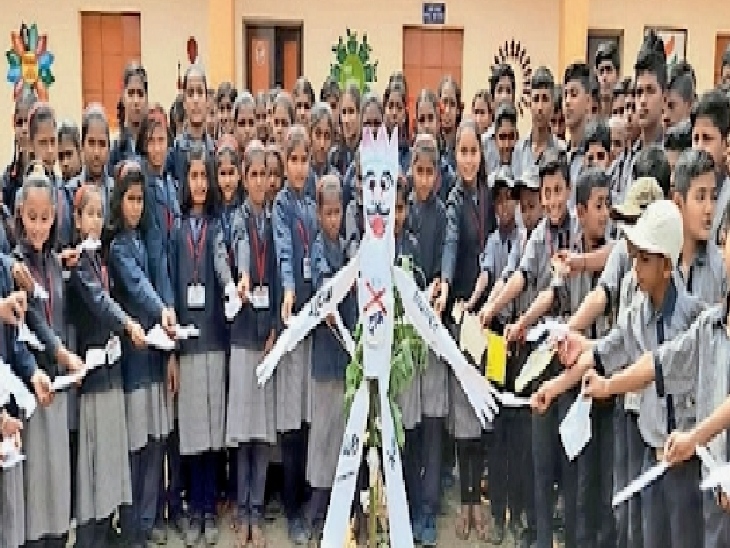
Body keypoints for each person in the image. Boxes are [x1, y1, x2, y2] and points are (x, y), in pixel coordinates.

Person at [537, 199, 705, 548]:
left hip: (687, 461)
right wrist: (554, 387)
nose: (635, 267)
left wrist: (608, 385)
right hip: (651, 451)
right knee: (643, 535)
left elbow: (651, 368)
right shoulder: (637, 315)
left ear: (666, 266)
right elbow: (603, 353)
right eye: (635, 257)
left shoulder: (692, 321)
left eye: (645, 259)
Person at [68, 184, 146, 547]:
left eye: (100, 214)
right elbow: (99, 302)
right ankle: (92, 535)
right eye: (89, 214)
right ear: (76, 219)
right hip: (94, 377)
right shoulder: (78, 265)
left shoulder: (97, 258)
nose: (96, 221)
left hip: (111, 371)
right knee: (96, 462)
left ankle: (107, 527)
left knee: (112, 458)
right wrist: (128, 324)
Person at [107, 160, 178, 548]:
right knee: (136, 445)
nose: (135, 207)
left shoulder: (145, 239)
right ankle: (132, 525)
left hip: (155, 355)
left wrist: (167, 318)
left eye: (140, 200)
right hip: (133, 360)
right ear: (119, 201)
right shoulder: (118, 246)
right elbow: (138, 287)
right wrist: (162, 310)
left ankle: (148, 521)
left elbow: (159, 280)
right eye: (129, 199)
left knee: (156, 442)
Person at [15, 161, 85, 548]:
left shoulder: (55, 262)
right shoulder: (16, 267)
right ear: (20, 215)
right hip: (31, 390)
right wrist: (60, 355)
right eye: (32, 218)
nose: (39, 227)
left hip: (57, 387)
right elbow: (30, 324)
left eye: (45, 218)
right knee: (35, 487)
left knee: (57, 482)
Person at [169, 143, 233, 546]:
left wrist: (232, 287)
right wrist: (172, 352)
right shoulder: (177, 232)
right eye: (192, 176)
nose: (199, 184)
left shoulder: (218, 226)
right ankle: (193, 508)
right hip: (188, 345)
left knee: (212, 434)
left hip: (214, 342)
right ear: (185, 181)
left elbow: (223, 265)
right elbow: (173, 289)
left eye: (203, 176)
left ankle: (209, 508)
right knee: (191, 434)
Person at [227, 141, 278, 548]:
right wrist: (243, 276)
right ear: (244, 179)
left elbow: (279, 276)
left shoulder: (275, 222)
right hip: (241, 336)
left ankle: (257, 510)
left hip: (266, 338)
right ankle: (242, 507)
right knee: (242, 432)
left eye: (265, 174)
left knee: (261, 433)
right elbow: (241, 249)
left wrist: (276, 325)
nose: (260, 182)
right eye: (254, 174)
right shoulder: (237, 220)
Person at [272, 124, 317, 544]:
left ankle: (308, 500)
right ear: (284, 163)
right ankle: (290, 509)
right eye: (293, 160)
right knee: (289, 420)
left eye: (305, 160)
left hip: (316, 323)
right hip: (291, 325)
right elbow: (285, 251)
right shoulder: (281, 206)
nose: (300, 168)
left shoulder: (316, 198)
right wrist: (289, 289)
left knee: (309, 416)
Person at [306, 174, 357, 544]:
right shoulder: (317, 250)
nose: (334, 219)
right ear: (319, 214)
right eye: (328, 213)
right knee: (322, 434)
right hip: (325, 357)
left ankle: (341, 507)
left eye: (338, 212)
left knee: (343, 434)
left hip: (347, 358)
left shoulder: (347, 247)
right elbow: (326, 292)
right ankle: (316, 506)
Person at [405, 134, 447, 546]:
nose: (423, 179)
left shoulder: (443, 214)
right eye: (418, 171)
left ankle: (429, 509)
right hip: (406, 337)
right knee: (410, 423)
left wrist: (440, 284)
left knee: (433, 421)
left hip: (434, 331)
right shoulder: (402, 213)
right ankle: (410, 502)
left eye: (429, 172)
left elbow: (446, 258)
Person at [512, 67, 562, 180]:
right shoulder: (518, 150)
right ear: (530, 104)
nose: (540, 107)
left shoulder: (561, 151)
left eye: (545, 99)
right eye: (535, 99)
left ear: (552, 105)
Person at [109, 63, 149, 170]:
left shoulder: (153, 144)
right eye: (131, 93)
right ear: (123, 97)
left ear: (146, 98)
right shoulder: (114, 147)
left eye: (140, 94)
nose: (136, 101)